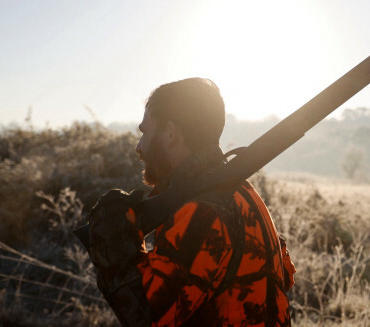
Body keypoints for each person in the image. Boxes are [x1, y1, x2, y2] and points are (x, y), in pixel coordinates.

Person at [87, 78, 295, 326]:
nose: (138, 147)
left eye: (144, 133)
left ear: (171, 133)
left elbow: (148, 317)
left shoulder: (202, 211)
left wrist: (117, 249)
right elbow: (284, 277)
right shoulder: (244, 192)